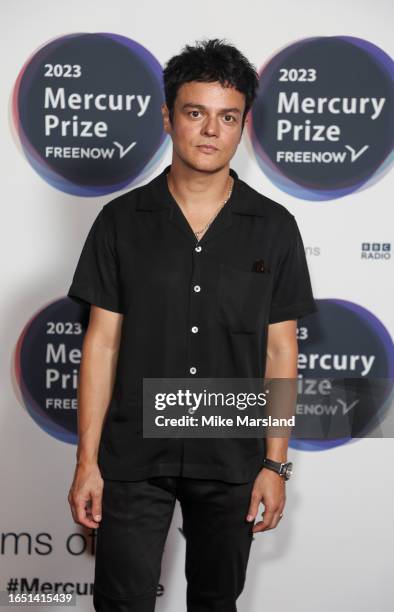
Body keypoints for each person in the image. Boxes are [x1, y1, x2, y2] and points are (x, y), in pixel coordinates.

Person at [67, 38, 318, 612]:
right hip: (131, 457)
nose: (210, 130)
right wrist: (86, 462)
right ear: (167, 118)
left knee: (215, 602)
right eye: (195, 112)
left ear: (242, 126)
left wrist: (275, 462)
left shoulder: (274, 228)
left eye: (227, 117)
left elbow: (281, 353)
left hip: (232, 453)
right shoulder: (121, 221)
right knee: (121, 603)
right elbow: (101, 345)